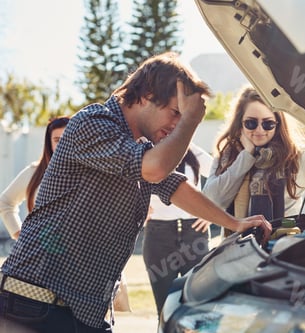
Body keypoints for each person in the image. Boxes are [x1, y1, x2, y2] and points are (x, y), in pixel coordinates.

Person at [0, 52, 271, 333]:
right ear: (146, 95)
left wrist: (235, 224)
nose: (178, 123)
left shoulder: (139, 147)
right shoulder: (93, 123)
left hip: (83, 314)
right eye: (175, 112)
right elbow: (155, 170)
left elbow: (173, 185)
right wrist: (190, 120)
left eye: (183, 116)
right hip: (32, 307)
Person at [203, 86, 305, 229]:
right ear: (240, 124)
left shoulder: (297, 157)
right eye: (251, 123)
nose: (259, 130)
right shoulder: (229, 155)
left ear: (278, 124)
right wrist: (246, 156)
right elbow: (211, 202)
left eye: (268, 124)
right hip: (237, 248)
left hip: (282, 247)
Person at [142, 143, 213, 317]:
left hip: (194, 234)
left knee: (198, 306)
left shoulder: (192, 151)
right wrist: (138, 206)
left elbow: (220, 174)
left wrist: (214, 209)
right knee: (165, 308)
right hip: (158, 235)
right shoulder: (146, 150)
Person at [0, 116, 70, 240]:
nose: (63, 145)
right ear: (49, 143)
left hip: (77, 252)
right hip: (40, 250)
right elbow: (5, 202)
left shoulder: (87, 172)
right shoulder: (34, 172)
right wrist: (20, 235)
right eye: (57, 140)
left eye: (67, 139)